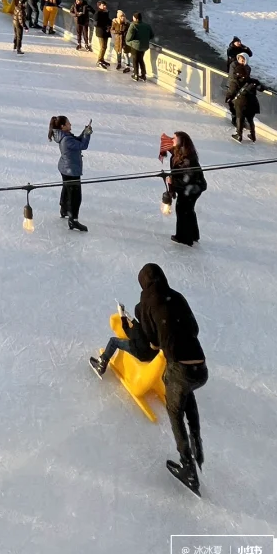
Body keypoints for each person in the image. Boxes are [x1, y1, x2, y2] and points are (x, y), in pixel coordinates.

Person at [105, 264, 207, 494]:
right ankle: (197, 443)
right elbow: (195, 328)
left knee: (175, 412)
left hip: (179, 368)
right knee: (187, 397)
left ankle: (188, 469)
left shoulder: (144, 306)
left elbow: (151, 343)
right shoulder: (177, 297)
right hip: (200, 367)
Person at [48, 115, 92, 231]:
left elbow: (77, 140)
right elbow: (83, 145)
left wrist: (84, 132)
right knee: (75, 196)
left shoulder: (63, 136)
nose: (70, 125)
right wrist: (87, 134)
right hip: (71, 170)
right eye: (68, 123)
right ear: (63, 126)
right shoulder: (66, 139)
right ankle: (73, 220)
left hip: (65, 167)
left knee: (67, 188)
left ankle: (64, 209)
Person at [166, 131, 207, 245]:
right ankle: (193, 234)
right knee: (188, 210)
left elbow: (187, 179)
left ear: (182, 141)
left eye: (174, 138)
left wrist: (172, 181)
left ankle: (184, 237)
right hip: (189, 187)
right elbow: (170, 148)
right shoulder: (179, 152)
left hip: (192, 188)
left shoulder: (187, 159)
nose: (172, 139)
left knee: (183, 209)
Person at [225, 55, 259, 141]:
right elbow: (259, 86)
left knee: (239, 117)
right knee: (250, 119)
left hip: (241, 101)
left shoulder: (235, 81)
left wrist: (228, 97)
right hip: (252, 101)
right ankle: (253, 135)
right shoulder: (251, 80)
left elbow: (232, 90)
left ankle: (239, 135)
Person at [125, 11, 153, 81]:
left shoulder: (133, 25)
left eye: (133, 18)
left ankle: (135, 74)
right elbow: (152, 35)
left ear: (136, 18)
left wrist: (129, 42)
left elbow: (128, 38)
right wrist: (144, 39)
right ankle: (143, 75)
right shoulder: (147, 26)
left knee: (135, 60)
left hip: (135, 46)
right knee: (141, 59)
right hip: (144, 46)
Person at [93, 1, 112, 68]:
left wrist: (111, 23)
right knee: (103, 47)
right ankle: (99, 60)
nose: (105, 6)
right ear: (99, 6)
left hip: (105, 32)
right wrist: (105, 25)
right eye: (103, 5)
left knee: (104, 47)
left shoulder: (105, 12)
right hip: (101, 32)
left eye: (105, 5)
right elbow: (96, 23)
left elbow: (107, 20)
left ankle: (102, 59)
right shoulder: (98, 13)